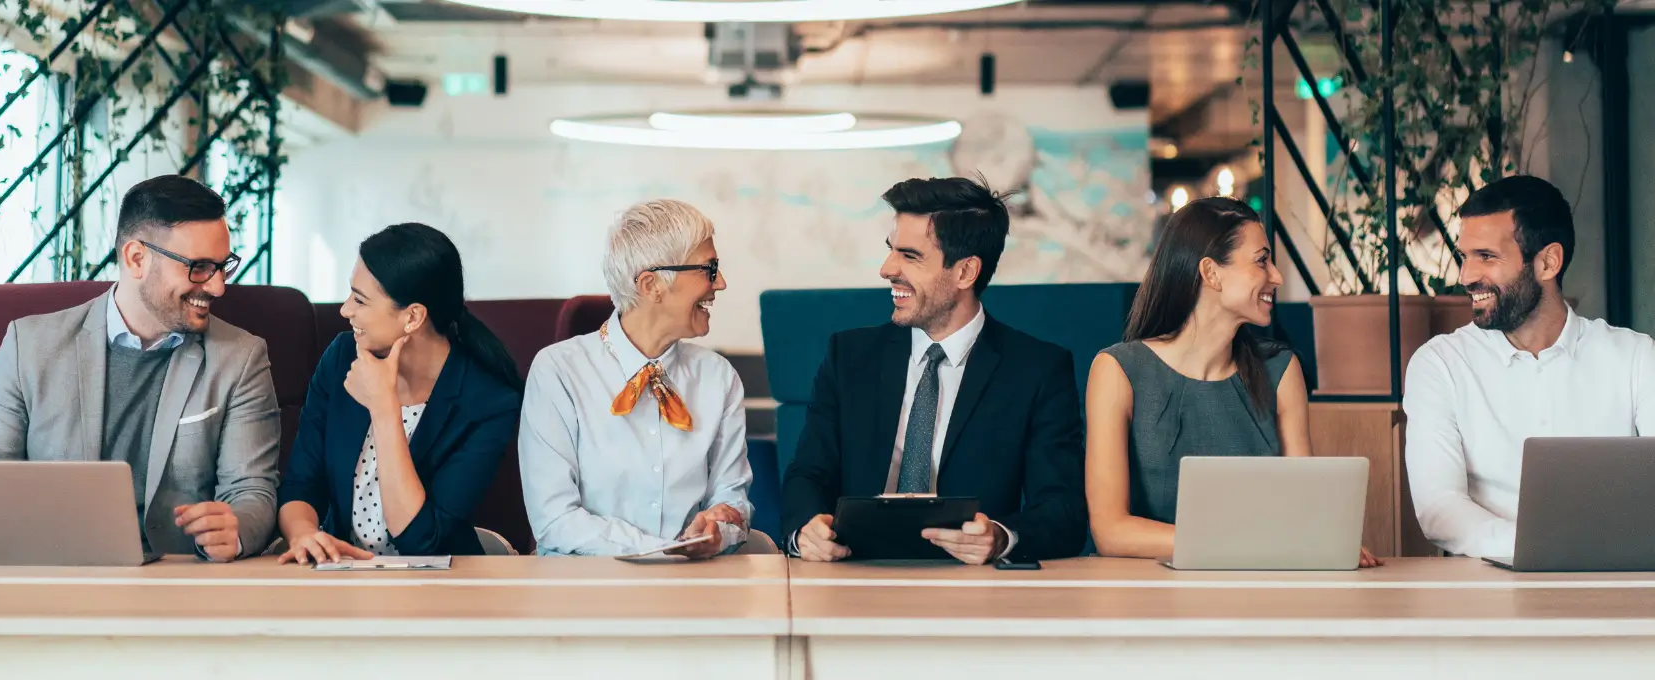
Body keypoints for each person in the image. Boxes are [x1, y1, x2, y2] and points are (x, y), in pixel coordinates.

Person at [0, 175, 278, 561]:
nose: (218, 287)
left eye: (223, 266)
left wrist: (237, 527)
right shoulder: (30, 346)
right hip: (53, 575)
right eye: (200, 267)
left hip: (178, 585)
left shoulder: (241, 357)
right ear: (136, 258)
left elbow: (252, 492)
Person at [781, 176, 1087, 565]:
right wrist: (804, 533)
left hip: (972, 589)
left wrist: (1001, 537)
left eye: (910, 256)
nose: (886, 269)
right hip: (852, 573)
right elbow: (808, 474)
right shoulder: (849, 355)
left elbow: (1063, 511)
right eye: (891, 250)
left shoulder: (1037, 369)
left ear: (964, 273)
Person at [1406, 175, 1655, 558]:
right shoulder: (1439, 365)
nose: (1466, 276)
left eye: (1486, 257)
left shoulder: (1636, 358)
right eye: (1465, 256)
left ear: (1547, 262)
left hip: (1620, 584)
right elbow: (1439, 509)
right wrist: (1541, 547)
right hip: (1489, 595)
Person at [1085, 197, 1378, 567]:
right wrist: (1252, 543)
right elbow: (1111, 531)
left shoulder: (1281, 370)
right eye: (1262, 260)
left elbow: (1304, 513)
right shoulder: (1118, 370)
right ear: (1211, 273)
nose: (1277, 276)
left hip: (1262, 591)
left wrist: (1324, 540)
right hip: (1150, 596)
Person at [275, 223, 524, 564]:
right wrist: (304, 534)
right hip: (340, 575)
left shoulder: (489, 401)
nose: (345, 310)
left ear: (413, 317)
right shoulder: (342, 359)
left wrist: (383, 406)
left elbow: (423, 541)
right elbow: (301, 484)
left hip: (438, 586)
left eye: (359, 300)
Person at [519, 199, 753, 558]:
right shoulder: (558, 372)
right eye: (710, 268)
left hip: (694, 592)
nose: (720, 283)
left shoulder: (718, 377)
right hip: (581, 597)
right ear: (651, 284)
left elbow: (734, 499)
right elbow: (554, 520)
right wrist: (667, 550)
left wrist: (720, 526)